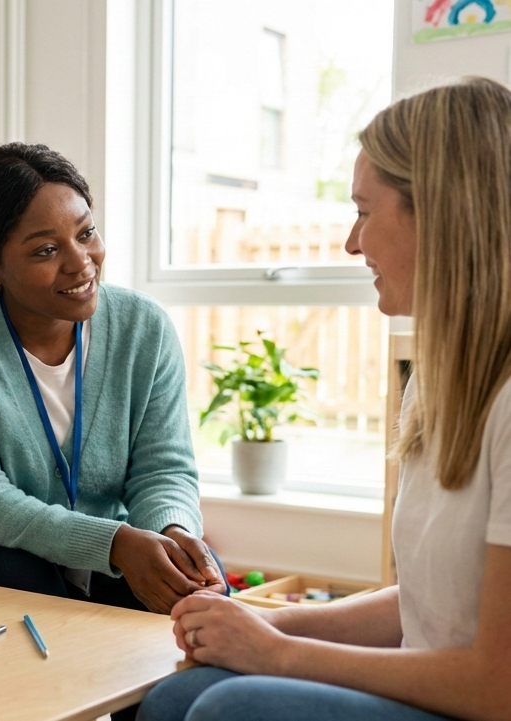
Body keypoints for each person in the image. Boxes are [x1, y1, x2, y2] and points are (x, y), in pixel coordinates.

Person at [138, 77, 511, 721]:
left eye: (365, 211)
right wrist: (266, 625)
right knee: (176, 696)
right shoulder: (440, 380)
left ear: (442, 214)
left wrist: (277, 655)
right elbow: (430, 607)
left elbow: (496, 685)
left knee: (234, 709)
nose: (352, 242)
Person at [0, 142, 224, 620]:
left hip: (109, 544)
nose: (81, 262)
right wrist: (114, 544)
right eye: (47, 250)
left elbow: (163, 470)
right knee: (30, 584)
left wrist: (172, 534)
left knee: (200, 589)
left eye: (86, 232)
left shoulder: (144, 327)